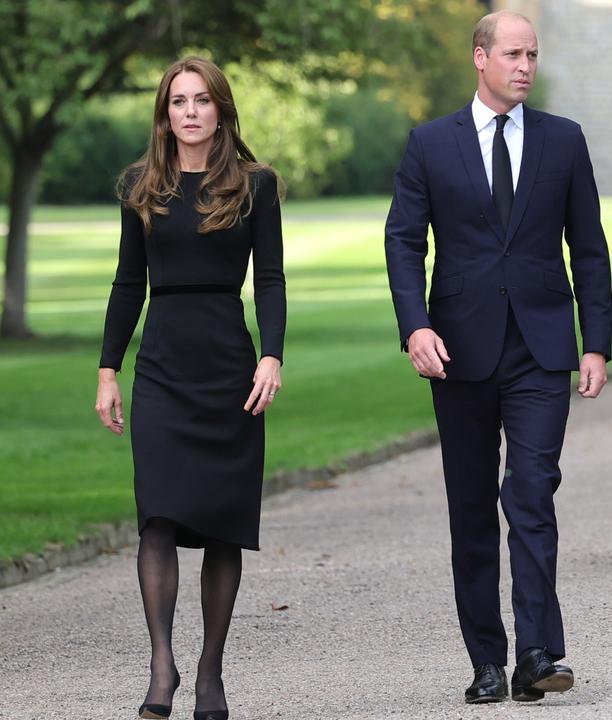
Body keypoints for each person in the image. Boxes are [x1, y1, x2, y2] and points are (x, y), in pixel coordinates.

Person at [384, 10, 612, 705]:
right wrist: (414, 327)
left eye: (532, 54)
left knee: (533, 493)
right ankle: (487, 658)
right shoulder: (430, 143)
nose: (524, 66)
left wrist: (595, 341)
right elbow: (403, 242)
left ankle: (538, 651)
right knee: (472, 509)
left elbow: (590, 248)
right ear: (478, 58)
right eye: (512, 53)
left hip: (541, 350)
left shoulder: (563, 141)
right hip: (458, 350)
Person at [95, 57, 285, 720]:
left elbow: (270, 281)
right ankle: (161, 667)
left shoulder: (256, 186)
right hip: (163, 371)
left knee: (223, 525)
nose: (191, 111)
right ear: (165, 113)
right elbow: (126, 284)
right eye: (179, 101)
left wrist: (271, 357)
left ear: (220, 109)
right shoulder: (140, 185)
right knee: (158, 516)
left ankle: (210, 674)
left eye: (202, 100)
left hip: (230, 369)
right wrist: (107, 370)